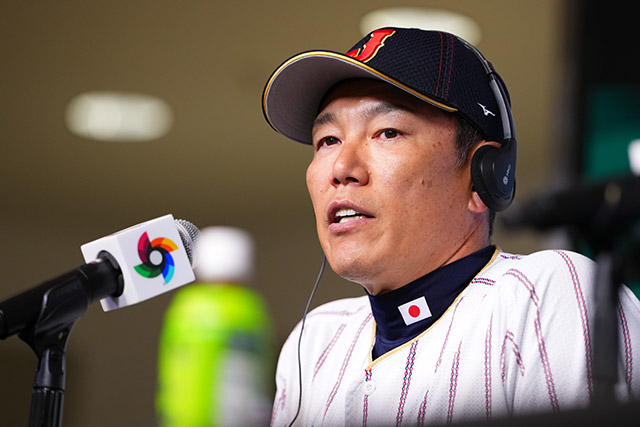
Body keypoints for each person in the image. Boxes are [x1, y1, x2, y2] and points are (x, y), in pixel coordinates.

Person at [261, 27, 640, 426]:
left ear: (483, 179)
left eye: (387, 132)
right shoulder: (315, 341)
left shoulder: (543, 294)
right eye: (327, 140)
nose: (341, 168)